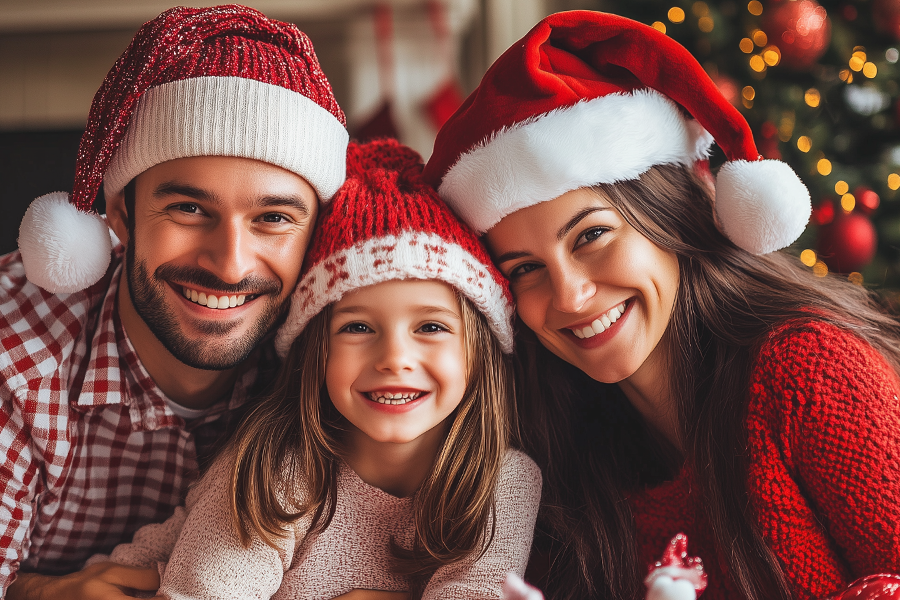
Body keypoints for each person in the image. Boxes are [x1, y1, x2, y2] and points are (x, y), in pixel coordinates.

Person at [423, 11, 900, 600]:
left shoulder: (811, 371)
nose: (570, 294)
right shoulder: (555, 451)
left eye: (591, 235)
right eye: (525, 270)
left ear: (667, 215)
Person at [1, 5, 348, 598]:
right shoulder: (15, 354)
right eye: (189, 209)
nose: (231, 264)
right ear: (119, 215)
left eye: (273, 218)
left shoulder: (346, 354)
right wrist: (38, 592)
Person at [99, 139, 542, 600]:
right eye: (357, 327)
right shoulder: (279, 465)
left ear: (480, 350)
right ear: (318, 352)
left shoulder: (502, 482)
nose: (394, 357)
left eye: (430, 326)